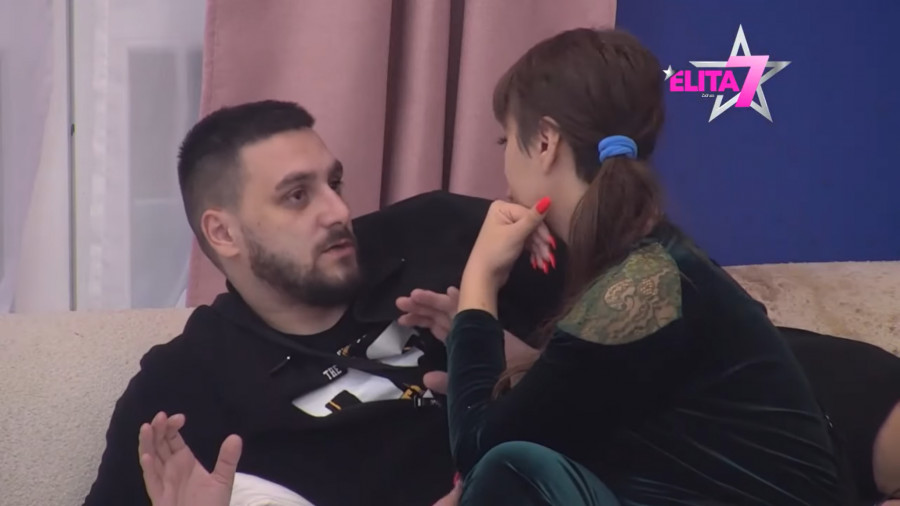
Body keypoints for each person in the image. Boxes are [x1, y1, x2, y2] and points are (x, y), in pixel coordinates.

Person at [438, 27, 852, 505]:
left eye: (506, 139)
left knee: (512, 469)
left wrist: (481, 278)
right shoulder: (653, 262)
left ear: (546, 141)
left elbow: (479, 448)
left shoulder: (642, 289)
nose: (505, 166)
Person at [82, 99, 565, 506]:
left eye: (334, 184)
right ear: (223, 233)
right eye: (297, 196)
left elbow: (605, 371)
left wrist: (522, 366)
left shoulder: (435, 235)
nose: (339, 211)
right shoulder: (185, 383)